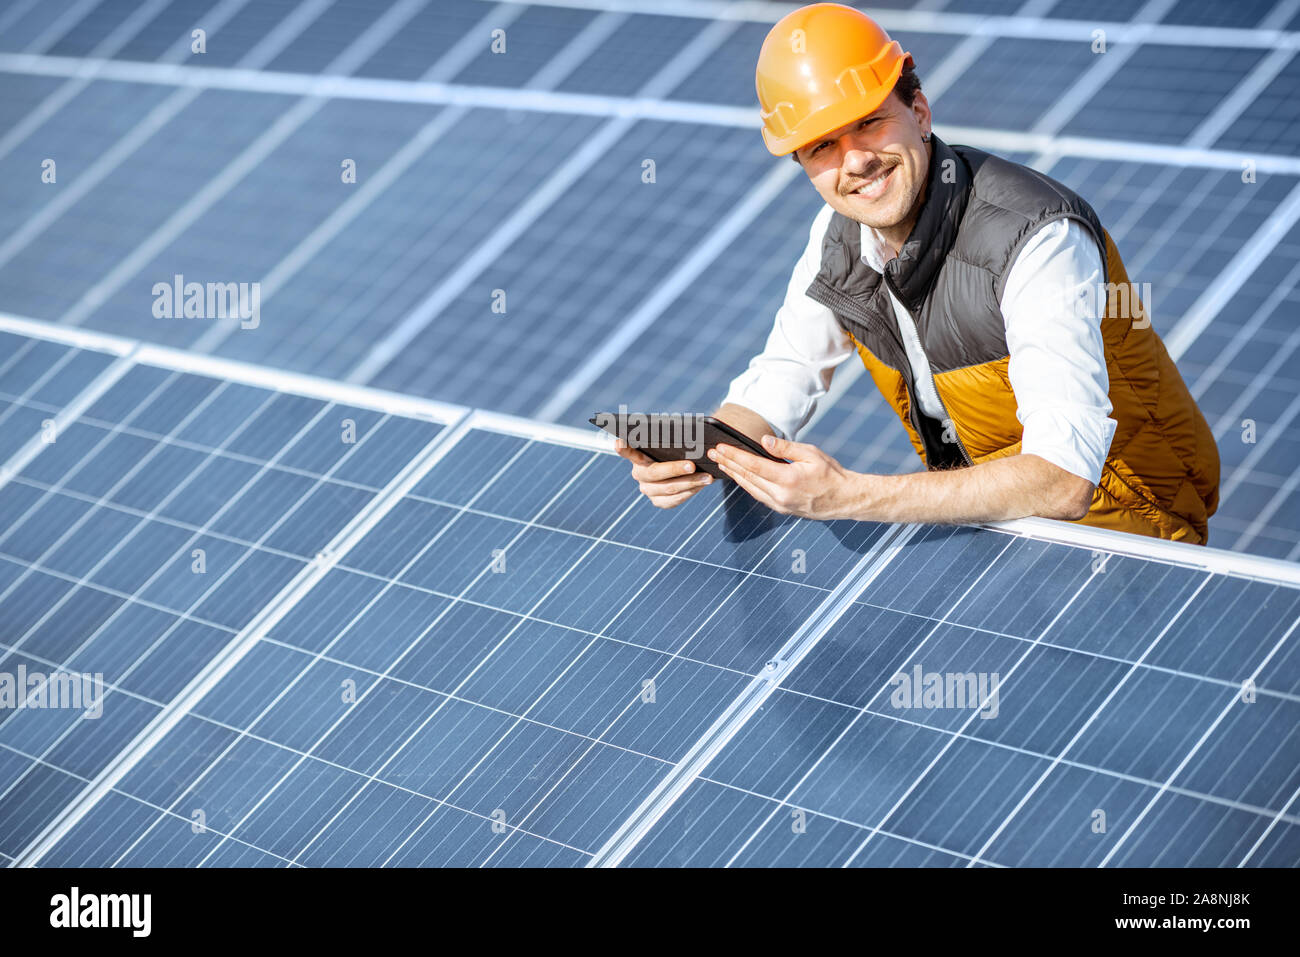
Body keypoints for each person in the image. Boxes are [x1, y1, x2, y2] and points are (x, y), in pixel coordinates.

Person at [616, 2, 1219, 543]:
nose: (854, 161)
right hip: (1000, 534)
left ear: (920, 111)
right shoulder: (840, 238)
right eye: (822, 146)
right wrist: (701, 449)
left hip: (1130, 538)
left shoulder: (1038, 240)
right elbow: (786, 374)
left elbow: (1063, 480)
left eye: (869, 122)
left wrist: (849, 496)